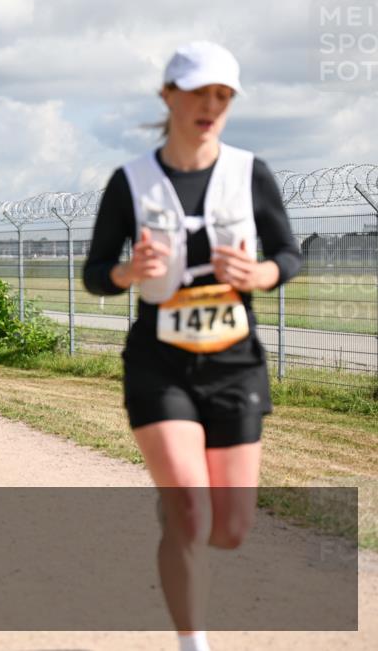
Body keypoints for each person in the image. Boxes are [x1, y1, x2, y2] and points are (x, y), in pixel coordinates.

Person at [83, 41, 301, 651]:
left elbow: (289, 255)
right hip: (160, 364)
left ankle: (179, 516)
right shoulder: (130, 182)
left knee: (228, 530)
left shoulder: (249, 172)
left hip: (234, 363)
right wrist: (126, 274)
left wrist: (263, 274)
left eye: (223, 96)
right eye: (199, 92)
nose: (210, 105)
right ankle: (192, 642)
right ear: (168, 96)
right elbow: (95, 272)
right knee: (190, 512)